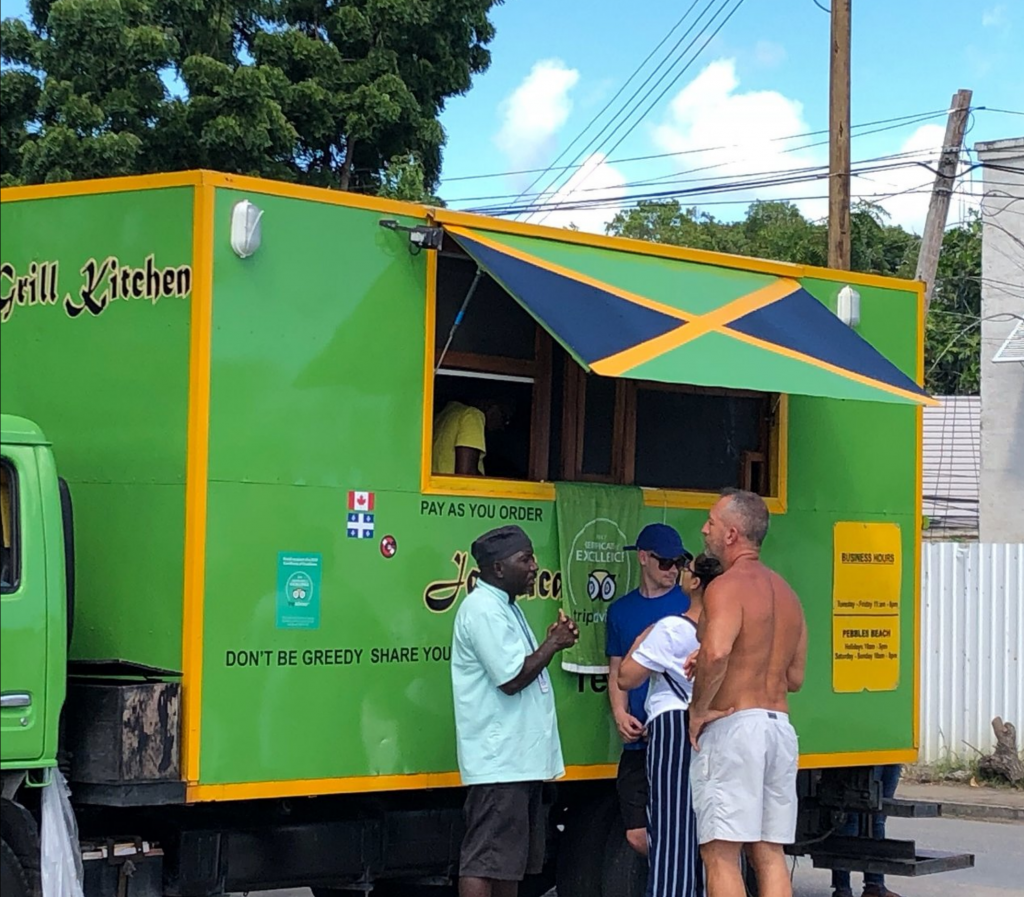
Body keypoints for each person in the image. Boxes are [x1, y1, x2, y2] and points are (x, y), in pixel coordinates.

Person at [687, 488, 808, 897]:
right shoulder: (789, 594)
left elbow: (718, 652)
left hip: (737, 726)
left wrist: (698, 709)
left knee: (721, 853)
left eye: (712, 523)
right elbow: (795, 676)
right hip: (779, 727)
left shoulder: (725, 587)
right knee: (769, 852)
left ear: (732, 534)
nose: (705, 530)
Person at [451, 524, 580, 897]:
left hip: (516, 759)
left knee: (508, 863)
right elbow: (510, 679)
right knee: (484, 860)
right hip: (499, 759)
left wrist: (551, 644)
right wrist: (553, 644)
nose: (535, 566)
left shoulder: (504, 606)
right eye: (525, 559)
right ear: (497, 569)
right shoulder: (483, 610)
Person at [618, 554, 725, 897]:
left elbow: (626, 676)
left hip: (672, 725)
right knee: (705, 827)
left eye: (688, 570)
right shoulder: (723, 633)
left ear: (695, 584)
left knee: (670, 825)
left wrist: (644, 637)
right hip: (713, 726)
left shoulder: (671, 629)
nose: (681, 571)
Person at [606, 523, 693, 857]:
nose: (673, 571)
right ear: (643, 558)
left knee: (681, 823)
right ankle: (668, 875)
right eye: (665, 562)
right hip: (637, 740)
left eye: (679, 563)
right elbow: (615, 669)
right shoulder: (620, 611)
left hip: (677, 736)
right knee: (636, 833)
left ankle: (675, 880)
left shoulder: (687, 605)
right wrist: (619, 714)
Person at [831, 764, 904, 897]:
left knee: (878, 819)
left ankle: (874, 885)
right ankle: (843, 888)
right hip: (864, 753)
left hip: (892, 751)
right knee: (851, 818)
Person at [432, 399, 511, 476]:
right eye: (504, 416)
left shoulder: (444, 414)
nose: (502, 426)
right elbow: (466, 473)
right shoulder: (472, 415)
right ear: (488, 404)